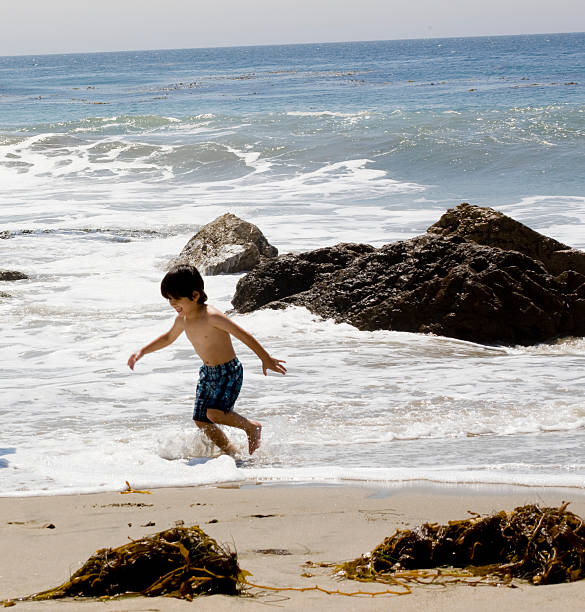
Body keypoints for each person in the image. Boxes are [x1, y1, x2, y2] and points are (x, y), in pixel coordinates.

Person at [128, 265, 286, 457]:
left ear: (195, 296)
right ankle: (232, 453)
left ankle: (251, 427)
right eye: (169, 299)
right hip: (207, 373)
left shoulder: (212, 316)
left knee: (214, 413)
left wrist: (265, 358)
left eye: (176, 299)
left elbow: (243, 335)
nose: (172, 303)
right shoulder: (182, 319)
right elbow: (168, 338)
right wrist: (142, 351)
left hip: (228, 372)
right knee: (201, 419)